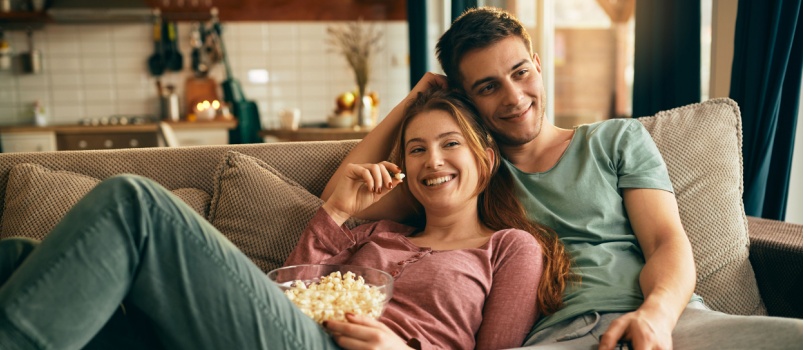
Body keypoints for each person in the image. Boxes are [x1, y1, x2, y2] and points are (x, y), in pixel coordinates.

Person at [322, 6, 803, 350]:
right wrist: (418, 102)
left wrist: (655, 316)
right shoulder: (466, 172)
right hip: (555, 337)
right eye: (488, 87)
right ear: (467, 101)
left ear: (537, 63)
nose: (513, 97)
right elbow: (345, 203)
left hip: (670, 322)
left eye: (520, 72)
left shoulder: (617, 140)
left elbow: (665, 242)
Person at [0, 88, 571, 350]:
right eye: (416, 148)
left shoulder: (510, 248)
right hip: (288, 332)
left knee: (136, 204)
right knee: (21, 256)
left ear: (487, 157)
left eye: (451, 144)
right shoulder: (378, 233)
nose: (432, 161)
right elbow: (295, 292)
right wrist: (338, 211)